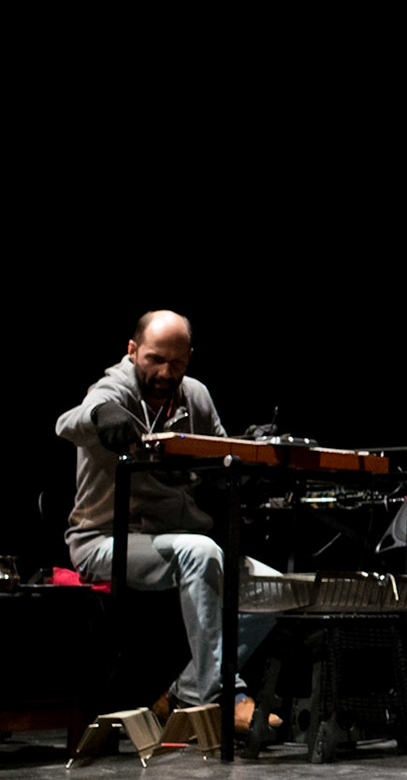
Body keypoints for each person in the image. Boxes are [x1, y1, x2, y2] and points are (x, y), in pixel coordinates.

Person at [55, 310, 278, 730]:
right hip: (105, 541)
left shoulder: (195, 396)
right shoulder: (115, 387)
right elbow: (69, 422)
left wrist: (246, 451)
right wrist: (102, 415)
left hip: (175, 538)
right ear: (132, 350)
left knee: (274, 588)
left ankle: (186, 694)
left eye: (176, 362)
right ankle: (220, 698)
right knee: (200, 551)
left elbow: (217, 456)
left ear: (189, 356)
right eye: (155, 359)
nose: (164, 372)